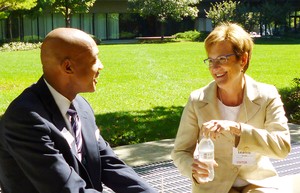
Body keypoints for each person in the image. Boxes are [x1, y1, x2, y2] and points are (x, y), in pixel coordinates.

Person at [0, 28, 157, 193]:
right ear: (68, 67)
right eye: (95, 59)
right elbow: (68, 189)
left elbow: (108, 163)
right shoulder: (25, 120)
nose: (101, 66)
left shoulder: (80, 106)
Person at [171, 22, 291, 193]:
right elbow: (180, 152)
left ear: (243, 59)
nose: (214, 67)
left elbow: (282, 147)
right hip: (213, 185)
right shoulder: (197, 100)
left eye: (222, 59)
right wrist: (193, 168)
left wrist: (238, 129)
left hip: (257, 184)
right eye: (211, 60)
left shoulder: (267, 95)